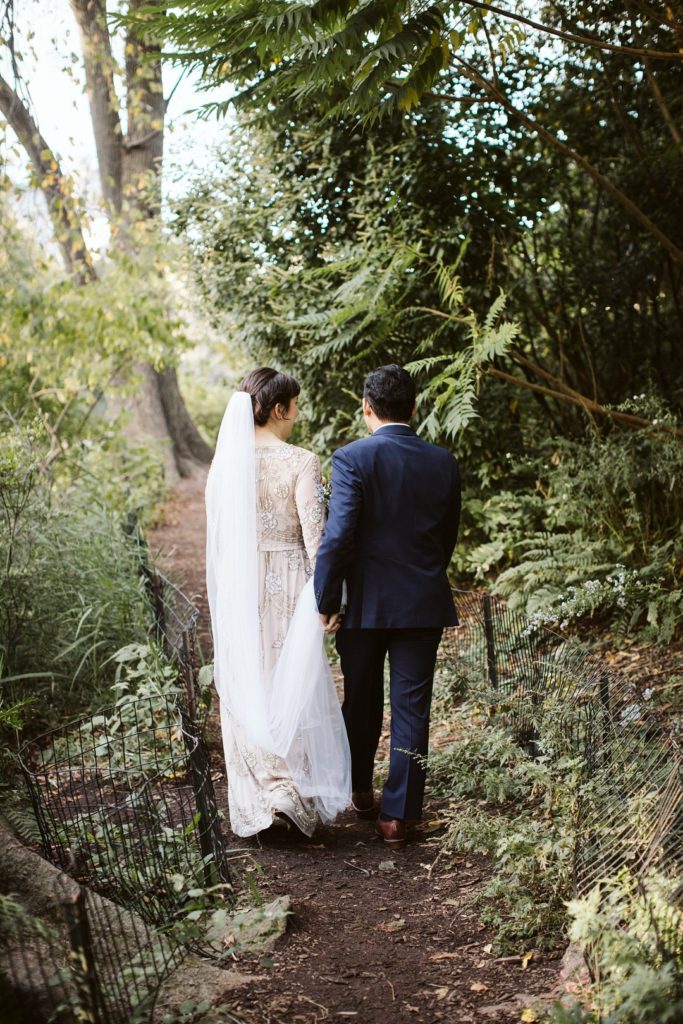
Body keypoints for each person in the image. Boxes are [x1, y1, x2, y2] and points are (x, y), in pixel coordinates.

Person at [314, 364, 461, 849]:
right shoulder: (443, 461)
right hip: (422, 602)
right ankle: (398, 817)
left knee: (360, 698)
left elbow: (338, 537)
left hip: (365, 604)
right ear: (415, 408)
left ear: (366, 408)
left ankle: (360, 790)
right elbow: (447, 538)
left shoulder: (352, 458)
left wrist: (326, 598)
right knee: (412, 707)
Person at [205, 368, 350, 838]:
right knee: (293, 681)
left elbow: (222, 538)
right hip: (290, 583)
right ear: (277, 408)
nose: (298, 415)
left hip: (242, 585)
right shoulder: (301, 462)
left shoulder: (227, 465)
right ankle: (291, 790)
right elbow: (317, 540)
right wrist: (331, 597)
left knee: (252, 677)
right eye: (294, 406)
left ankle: (265, 793)